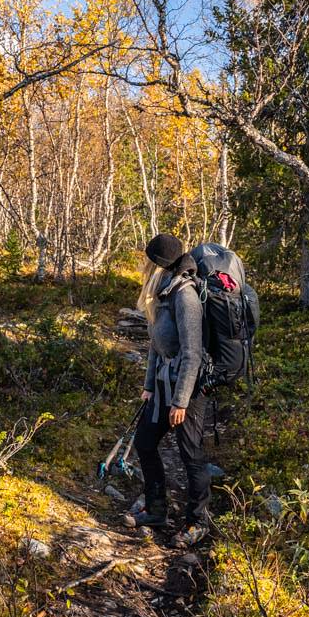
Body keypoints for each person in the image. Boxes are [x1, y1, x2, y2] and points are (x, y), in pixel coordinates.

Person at [124, 232, 211, 548]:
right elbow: (156, 346)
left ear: (158, 264)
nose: (143, 266)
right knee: (145, 442)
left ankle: (197, 522)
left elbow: (192, 353)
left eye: (147, 260)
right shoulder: (162, 294)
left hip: (187, 390)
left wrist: (181, 401)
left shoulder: (185, 297)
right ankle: (156, 508)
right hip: (163, 385)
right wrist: (149, 386)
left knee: (190, 454)